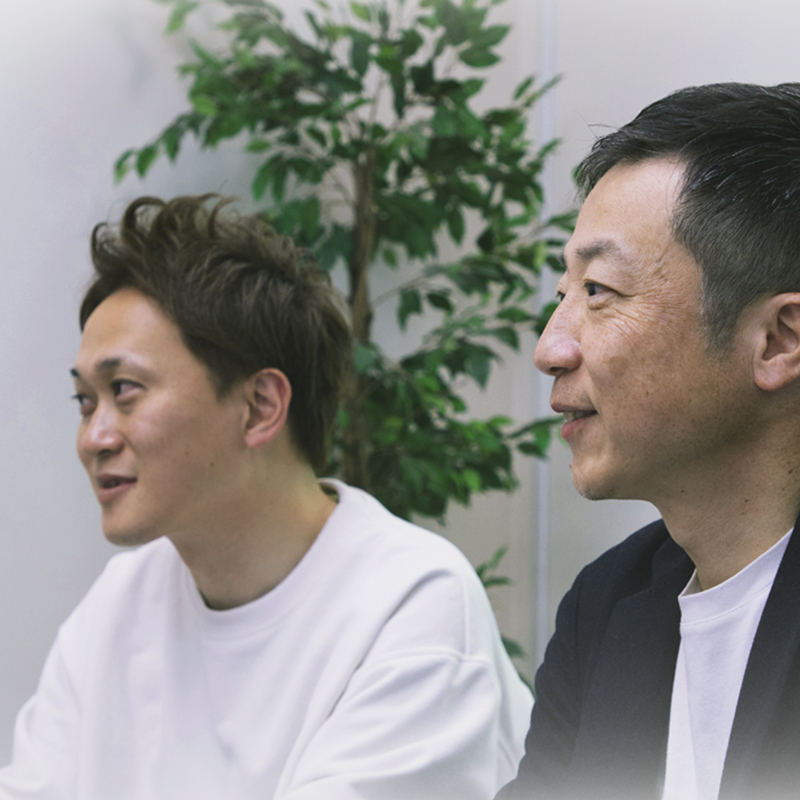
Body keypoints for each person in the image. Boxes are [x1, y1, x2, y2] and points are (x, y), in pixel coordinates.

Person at [0, 195, 531, 800]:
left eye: (124, 390)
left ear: (259, 407)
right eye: (84, 401)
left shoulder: (411, 604)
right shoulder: (118, 605)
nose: (93, 438)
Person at [502, 83, 800, 800]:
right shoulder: (606, 606)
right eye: (563, 295)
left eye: (598, 291)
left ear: (777, 340)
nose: (549, 348)